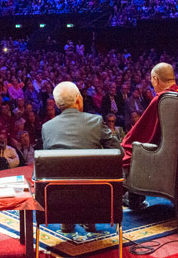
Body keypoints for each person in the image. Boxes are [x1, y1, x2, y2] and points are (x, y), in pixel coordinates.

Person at [41, 81, 121, 233]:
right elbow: (118, 153)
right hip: (96, 198)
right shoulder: (96, 121)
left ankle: (67, 220)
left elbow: (49, 165)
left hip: (59, 200)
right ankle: (89, 219)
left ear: (58, 105)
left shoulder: (47, 127)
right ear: (78, 99)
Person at [120, 63, 178, 210]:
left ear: (155, 80)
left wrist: (124, 142)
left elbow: (140, 133)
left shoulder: (162, 100)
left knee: (130, 148)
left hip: (166, 159)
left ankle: (134, 198)